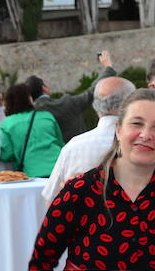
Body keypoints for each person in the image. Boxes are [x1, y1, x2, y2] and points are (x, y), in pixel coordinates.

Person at [29, 89, 155, 271]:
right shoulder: (79, 191)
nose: (146, 134)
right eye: (137, 123)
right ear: (118, 130)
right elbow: (40, 264)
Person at [42, 76, 136, 204]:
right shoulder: (145, 144)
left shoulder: (74, 146)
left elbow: (51, 199)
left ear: (95, 105)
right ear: (131, 104)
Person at [25, 50, 117, 141]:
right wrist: (108, 68)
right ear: (44, 88)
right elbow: (91, 93)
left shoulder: (28, 116)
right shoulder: (64, 105)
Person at [0, 82, 64, 177]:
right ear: (29, 99)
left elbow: (6, 154)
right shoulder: (47, 116)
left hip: (32, 174)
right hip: (59, 169)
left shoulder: (7, 124)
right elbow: (60, 143)